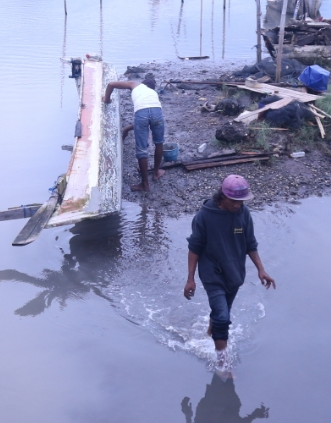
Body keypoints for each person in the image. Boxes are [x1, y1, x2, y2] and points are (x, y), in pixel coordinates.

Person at [184, 175, 275, 362]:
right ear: (222, 196)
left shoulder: (243, 214)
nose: (237, 205)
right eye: (233, 201)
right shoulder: (204, 216)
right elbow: (194, 248)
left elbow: (250, 243)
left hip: (234, 273)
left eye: (241, 201)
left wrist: (261, 269)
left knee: (222, 312)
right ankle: (223, 363)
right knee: (223, 319)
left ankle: (212, 330)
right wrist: (190, 279)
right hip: (212, 274)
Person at [104, 76, 165, 192]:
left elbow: (111, 84)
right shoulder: (153, 93)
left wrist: (106, 100)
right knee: (159, 143)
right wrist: (127, 129)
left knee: (142, 149)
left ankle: (145, 184)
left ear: (142, 84)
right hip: (157, 112)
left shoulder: (136, 85)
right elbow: (150, 117)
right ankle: (156, 172)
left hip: (141, 113)